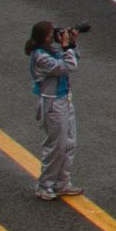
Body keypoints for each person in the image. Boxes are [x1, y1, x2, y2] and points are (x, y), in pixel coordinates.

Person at [26, 23, 78, 200]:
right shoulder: (41, 57)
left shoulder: (51, 50)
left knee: (69, 143)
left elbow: (75, 58)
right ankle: (44, 185)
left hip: (64, 100)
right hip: (52, 103)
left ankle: (62, 183)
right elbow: (67, 66)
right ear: (45, 37)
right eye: (52, 34)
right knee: (55, 146)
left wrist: (71, 44)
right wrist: (65, 46)